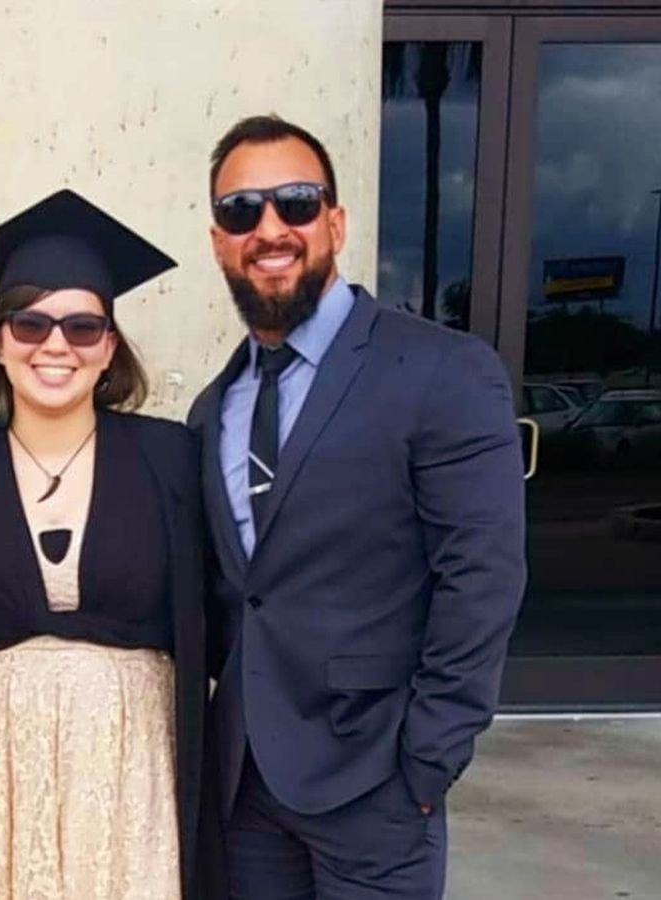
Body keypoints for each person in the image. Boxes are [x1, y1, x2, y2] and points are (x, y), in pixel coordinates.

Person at [187, 115, 526, 899]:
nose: (270, 228)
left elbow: (482, 578)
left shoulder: (442, 371)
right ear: (219, 242)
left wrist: (429, 757)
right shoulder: (215, 408)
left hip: (377, 783)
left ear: (335, 223)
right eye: (242, 211)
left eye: (297, 203)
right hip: (247, 788)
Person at [0, 189, 222, 900]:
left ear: (109, 348)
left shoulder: (172, 461)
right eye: (29, 323)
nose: (55, 345)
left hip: (129, 773)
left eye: (83, 327)